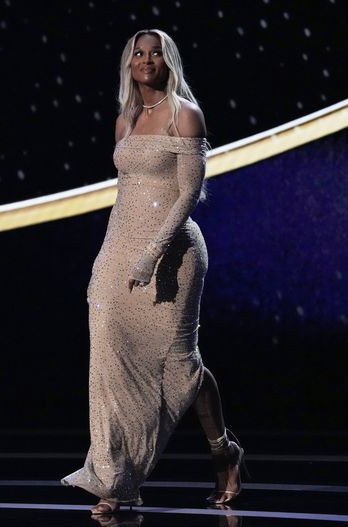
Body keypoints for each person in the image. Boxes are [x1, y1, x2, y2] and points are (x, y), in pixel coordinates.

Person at [61, 29, 247, 514]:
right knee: (108, 362)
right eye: (138, 54)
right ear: (129, 64)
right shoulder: (125, 121)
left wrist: (152, 254)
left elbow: (187, 194)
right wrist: (106, 261)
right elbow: (124, 200)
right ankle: (118, 478)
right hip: (119, 252)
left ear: (169, 61)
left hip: (175, 255)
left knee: (181, 368)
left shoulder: (185, 115)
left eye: (155, 53)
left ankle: (224, 451)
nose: (147, 60)